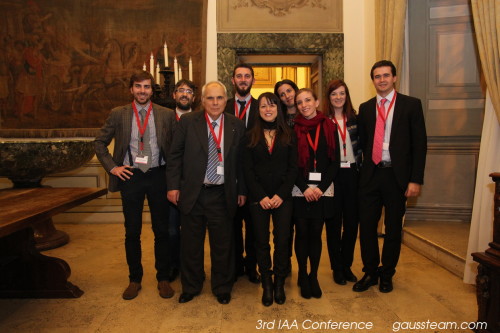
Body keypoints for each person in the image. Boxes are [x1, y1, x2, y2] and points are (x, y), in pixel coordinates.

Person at [94, 70, 176, 300]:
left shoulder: (166, 114)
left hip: (159, 175)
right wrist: (113, 168)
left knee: (162, 230)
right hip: (131, 177)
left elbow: (176, 147)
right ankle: (135, 279)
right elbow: (99, 142)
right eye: (138, 86)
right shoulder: (118, 114)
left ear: (152, 90)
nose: (142, 91)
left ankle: (163, 278)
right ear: (131, 89)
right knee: (132, 231)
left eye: (147, 87)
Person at [167, 81, 246, 305]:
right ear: (201, 101)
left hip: (222, 194)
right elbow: (175, 156)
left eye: (219, 98)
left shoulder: (236, 125)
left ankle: (222, 287)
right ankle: (191, 286)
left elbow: (241, 163)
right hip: (193, 193)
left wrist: (241, 190)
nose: (215, 102)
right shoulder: (188, 122)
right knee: (191, 245)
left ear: (226, 100)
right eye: (210, 98)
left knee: (223, 245)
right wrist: (173, 186)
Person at [353, 60, 427, 293]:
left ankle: (387, 274)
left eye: (386, 75)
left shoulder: (411, 105)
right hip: (371, 175)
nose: (382, 80)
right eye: (377, 76)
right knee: (366, 227)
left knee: (393, 228)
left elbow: (420, 145)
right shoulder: (365, 108)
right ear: (372, 80)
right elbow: (363, 143)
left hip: (397, 177)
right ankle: (370, 272)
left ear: (394, 78)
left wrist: (415, 179)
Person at [242, 92, 298, 306]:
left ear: (278, 109)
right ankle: (266, 282)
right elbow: (247, 170)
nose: (268, 109)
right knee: (261, 242)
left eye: (272, 106)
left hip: (283, 198)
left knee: (282, 241)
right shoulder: (250, 136)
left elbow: (293, 169)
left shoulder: (289, 134)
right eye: (264, 106)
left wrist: (280, 195)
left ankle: (279, 283)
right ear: (258, 110)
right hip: (259, 198)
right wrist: (262, 196)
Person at [292, 88, 339, 299]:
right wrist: (304, 188)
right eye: (300, 102)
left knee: (316, 234)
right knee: (302, 232)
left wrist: (319, 189)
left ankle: (314, 276)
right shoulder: (292, 129)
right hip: (300, 189)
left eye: (308, 100)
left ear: (317, 101)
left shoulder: (329, 126)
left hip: (321, 189)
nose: (304, 105)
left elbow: (334, 162)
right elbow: (290, 164)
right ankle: (302, 274)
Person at [224, 63, 260, 284]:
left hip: (254, 176)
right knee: (232, 225)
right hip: (227, 175)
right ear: (233, 80)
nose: (243, 80)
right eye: (239, 76)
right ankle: (236, 265)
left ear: (253, 80)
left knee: (254, 226)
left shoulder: (262, 106)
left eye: (247, 76)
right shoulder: (223, 105)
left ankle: (252, 266)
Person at [323, 79, 362, 285]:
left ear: (346, 96)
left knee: (351, 223)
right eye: (334, 94)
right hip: (333, 175)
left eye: (342, 93)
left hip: (353, 174)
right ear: (328, 98)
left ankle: (347, 265)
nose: (338, 97)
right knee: (333, 223)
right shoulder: (323, 121)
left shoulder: (356, 119)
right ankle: (336, 267)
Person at [166, 78, 196, 282]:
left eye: (188, 91)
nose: (184, 94)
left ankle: (190, 268)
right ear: (174, 95)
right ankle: (173, 266)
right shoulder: (164, 119)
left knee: (192, 232)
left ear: (194, 97)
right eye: (180, 90)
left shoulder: (200, 120)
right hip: (170, 183)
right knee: (170, 230)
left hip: (194, 184)